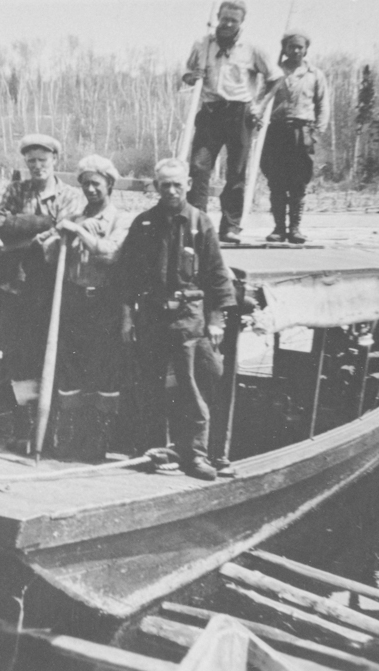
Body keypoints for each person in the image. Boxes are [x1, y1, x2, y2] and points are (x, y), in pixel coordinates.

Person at [114, 158, 237, 481]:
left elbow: (216, 275)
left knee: (190, 388)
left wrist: (216, 319)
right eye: (164, 184)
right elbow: (127, 276)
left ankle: (195, 454)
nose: (170, 190)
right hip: (152, 318)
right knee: (150, 386)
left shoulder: (200, 223)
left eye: (177, 184)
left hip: (188, 319)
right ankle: (154, 451)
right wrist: (128, 318)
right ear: (156, 187)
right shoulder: (143, 224)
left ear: (189, 186)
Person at [0, 133, 85, 452]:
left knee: (53, 354)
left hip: (51, 287)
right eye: (31, 162)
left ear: (55, 160)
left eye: (43, 160)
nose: (37, 167)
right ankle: (23, 426)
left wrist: (25, 230)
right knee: (18, 356)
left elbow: (61, 235)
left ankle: (51, 430)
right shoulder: (18, 189)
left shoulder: (70, 195)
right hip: (17, 287)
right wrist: (42, 222)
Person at [39, 155, 130, 461]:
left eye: (96, 184)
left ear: (110, 186)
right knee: (71, 369)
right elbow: (50, 257)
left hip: (104, 302)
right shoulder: (75, 218)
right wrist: (55, 238)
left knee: (104, 369)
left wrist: (78, 232)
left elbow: (110, 254)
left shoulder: (118, 219)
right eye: (86, 184)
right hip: (74, 300)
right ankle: (69, 436)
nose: (91, 189)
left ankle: (99, 441)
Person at [183, 0, 280, 243]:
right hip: (210, 112)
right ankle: (198, 224)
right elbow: (186, 73)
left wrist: (260, 103)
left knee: (236, 172)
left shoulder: (253, 48)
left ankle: (230, 226)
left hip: (240, 113)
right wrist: (191, 76)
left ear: (241, 23)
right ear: (218, 16)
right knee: (198, 167)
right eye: (224, 18)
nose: (227, 24)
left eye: (233, 20)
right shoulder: (203, 44)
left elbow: (275, 78)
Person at [260, 31, 329, 244]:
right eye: (292, 47)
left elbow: (323, 104)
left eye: (300, 47)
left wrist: (317, 132)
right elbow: (262, 97)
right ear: (285, 49)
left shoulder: (315, 74)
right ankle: (279, 228)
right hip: (277, 131)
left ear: (306, 49)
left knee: (298, 182)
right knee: (277, 181)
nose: (296, 50)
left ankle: (295, 228)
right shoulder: (275, 73)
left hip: (303, 131)